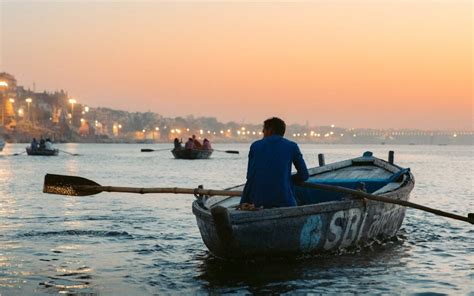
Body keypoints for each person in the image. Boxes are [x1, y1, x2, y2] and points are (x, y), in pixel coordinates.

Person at [240, 117, 309, 209]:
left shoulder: (255, 146)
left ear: (270, 130)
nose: (262, 132)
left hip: (258, 201)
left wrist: (243, 201)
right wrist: (288, 179)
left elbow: (250, 176)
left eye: (264, 129)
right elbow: (304, 175)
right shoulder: (292, 146)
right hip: (284, 201)